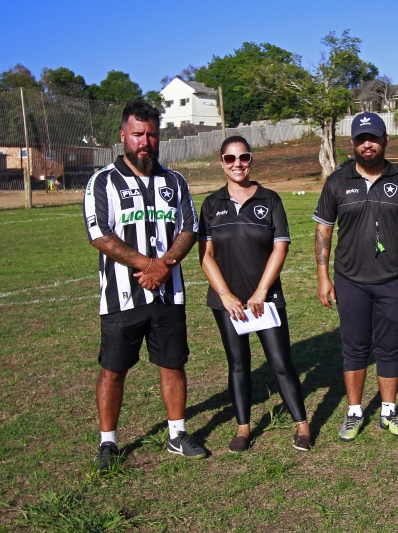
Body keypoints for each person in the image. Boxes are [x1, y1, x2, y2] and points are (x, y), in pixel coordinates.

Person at [83, 100, 205, 470]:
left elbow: (190, 228)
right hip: (122, 296)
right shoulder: (102, 180)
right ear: (123, 136)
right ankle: (108, 443)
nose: (145, 141)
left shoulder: (175, 181)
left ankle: (177, 434)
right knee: (113, 369)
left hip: (169, 293)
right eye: (138, 134)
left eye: (152, 134)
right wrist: (148, 265)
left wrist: (164, 266)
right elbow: (99, 235)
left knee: (172, 364)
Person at [313, 112, 398, 441]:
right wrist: (323, 276)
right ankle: (353, 413)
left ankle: (389, 412)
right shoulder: (337, 181)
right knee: (354, 348)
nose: (368, 144)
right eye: (362, 139)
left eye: (374, 138)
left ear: (385, 140)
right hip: (350, 280)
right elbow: (323, 230)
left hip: (393, 279)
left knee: (390, 347)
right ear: (352, 143)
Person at [198, 135, 311, 452]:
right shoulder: (211, 204)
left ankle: (302, 425)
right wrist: (225, 295)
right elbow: (205, 256)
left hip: (266, 301)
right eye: (230, 158)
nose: (238, 164)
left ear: (251, 160)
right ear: (222, 162)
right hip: (227, 303)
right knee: (237, 364)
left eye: (243, 157)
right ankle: (243, 428)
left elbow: (281, 246)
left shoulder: (270, 199)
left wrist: (261, 292)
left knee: (280, 362)